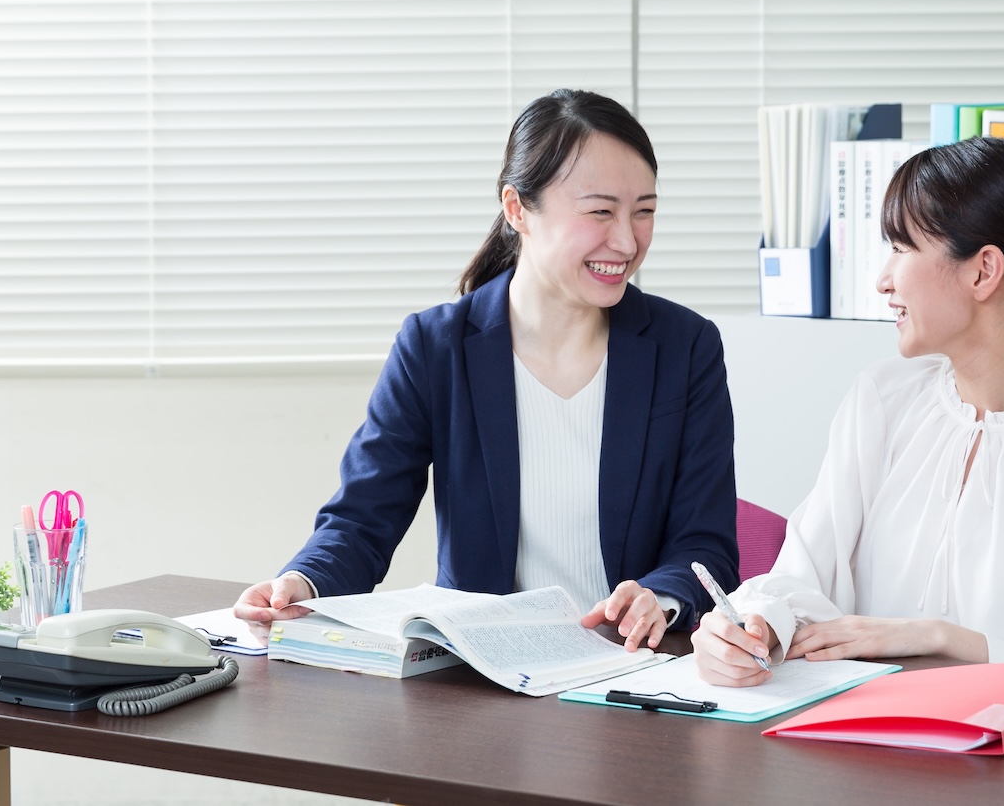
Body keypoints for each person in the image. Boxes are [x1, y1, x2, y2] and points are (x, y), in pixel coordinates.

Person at [236, 89, 739, 650]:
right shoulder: (436, 346)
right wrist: (299, 584)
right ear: (517, 208)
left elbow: (706, 543)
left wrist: (660, 597)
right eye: (600, 211)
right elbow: (362, 520)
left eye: (643, 211)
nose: (626, 241)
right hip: (481, 670)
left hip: (629, 670)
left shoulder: (685, 347)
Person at [694, 136, 1004, 686]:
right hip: (876, 738)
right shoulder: (883, 399)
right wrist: (754, 626)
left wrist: (944, 639)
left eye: (901, 248)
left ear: (982, 271)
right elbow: (802, 574)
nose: (883, 279)